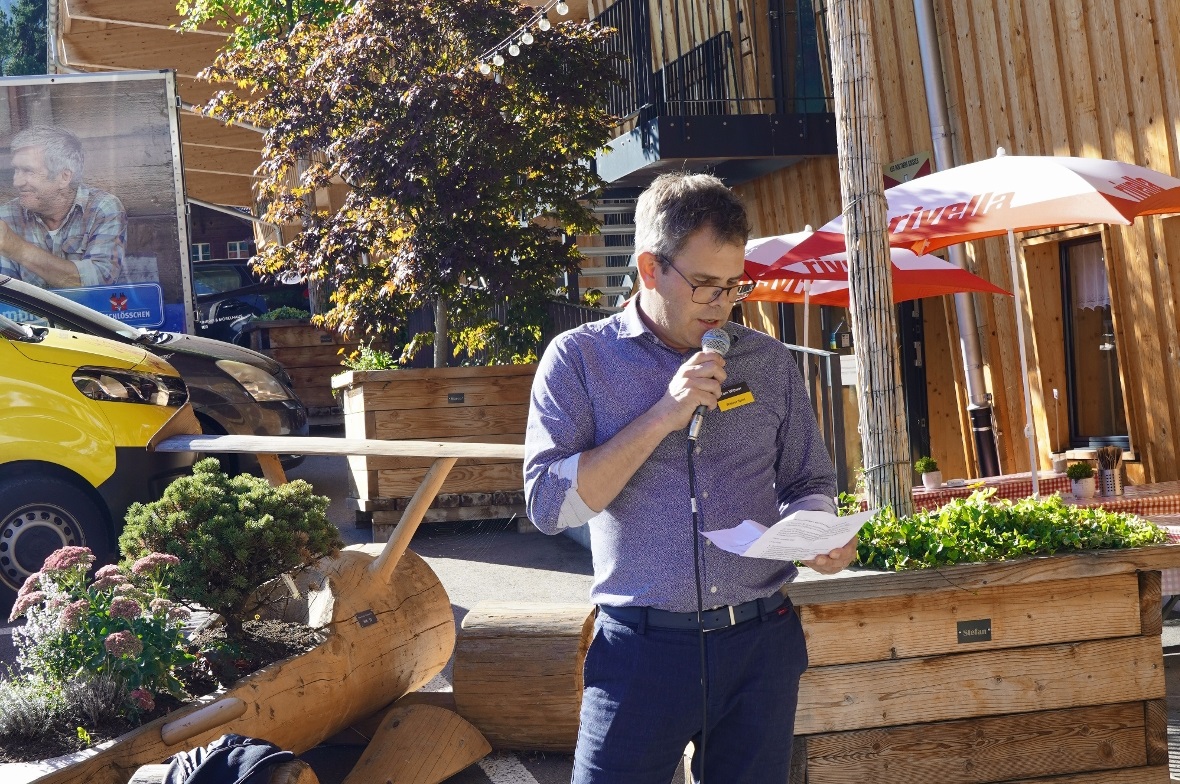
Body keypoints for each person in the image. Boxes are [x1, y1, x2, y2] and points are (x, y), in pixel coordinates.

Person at [524, 172, 858, 783]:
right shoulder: (579, 359)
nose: (722, 304)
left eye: (735, 286)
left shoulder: (768, 360)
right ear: (650, 269)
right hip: (640, 653)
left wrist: (818, 533)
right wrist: (663, 414)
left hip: (759, 645)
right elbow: (549, 505)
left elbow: (808, 479)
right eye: (705, 284)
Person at [0, 125, 126, 289]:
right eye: (16, 170)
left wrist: (18, 249)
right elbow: (6, 294)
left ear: (64, 177)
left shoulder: (102, 208)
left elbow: (100, 282)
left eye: (29, 171)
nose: (17, 182)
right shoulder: (7, 215)